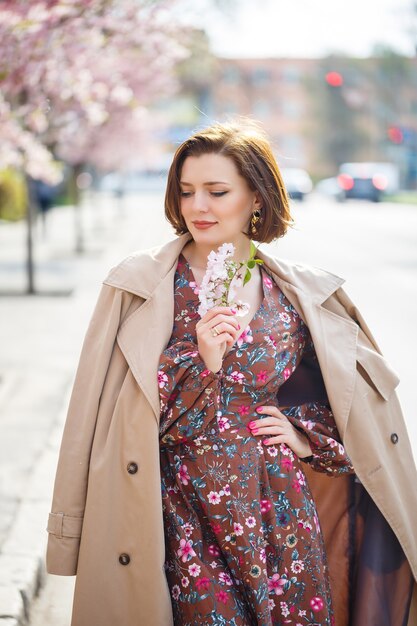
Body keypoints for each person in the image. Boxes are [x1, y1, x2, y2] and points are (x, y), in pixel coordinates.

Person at [46, 120, 417, 626]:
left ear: (257, 198)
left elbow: (358, 414)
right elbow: (102, 415)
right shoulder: (139, 285)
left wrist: (304, 435)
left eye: (217, 192)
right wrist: (203, 359)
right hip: (179, 510)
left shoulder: (300, 295)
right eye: (186, 191)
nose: (198, 207)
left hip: (278, 508)